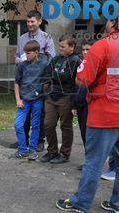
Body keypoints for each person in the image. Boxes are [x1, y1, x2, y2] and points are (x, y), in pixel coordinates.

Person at [57, 18, 119, 213]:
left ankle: (81, 202)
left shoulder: (103, 45)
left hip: (106, 113)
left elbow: (82, 79)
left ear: (113, 25)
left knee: (94, 161)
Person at [14, 10, 56, 152]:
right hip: (25, 79)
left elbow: (51, 58)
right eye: (28, 21)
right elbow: (17, 56)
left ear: (39, 21)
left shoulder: (46, 37)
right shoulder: (22, 38)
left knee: (39, 114)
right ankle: (23, 140)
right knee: (24, 111)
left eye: (32, 21)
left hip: (39, 81)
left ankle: (39, 141)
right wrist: (20, 60)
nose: (30, 24)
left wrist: (37, 61)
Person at [42, 34, 80, 164]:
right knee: (48, 124)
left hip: (66, 97)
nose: (60, 49)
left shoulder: (76, 61)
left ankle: (64, 153)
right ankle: (52, 151)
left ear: (72, 47)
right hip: (51, 96)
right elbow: (47, 73)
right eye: (60, 46)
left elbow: (67, 77)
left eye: (63, 46)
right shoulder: (56, 59)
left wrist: (57, 75)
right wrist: (54, 77)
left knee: (66, 126)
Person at [12, 40, 51, 160]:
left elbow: (47, 82)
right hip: (24, 100)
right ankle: (22, 149)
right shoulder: (22, 66)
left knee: (35, 125)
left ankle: (33, 150)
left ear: (36, 52)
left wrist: (43, 93)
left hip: (37, 100)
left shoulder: (44, 65)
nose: (26, 56)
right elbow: (17, 83)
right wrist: (18, 99)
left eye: (28, 53)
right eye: (25, 53)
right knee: (18, 125)